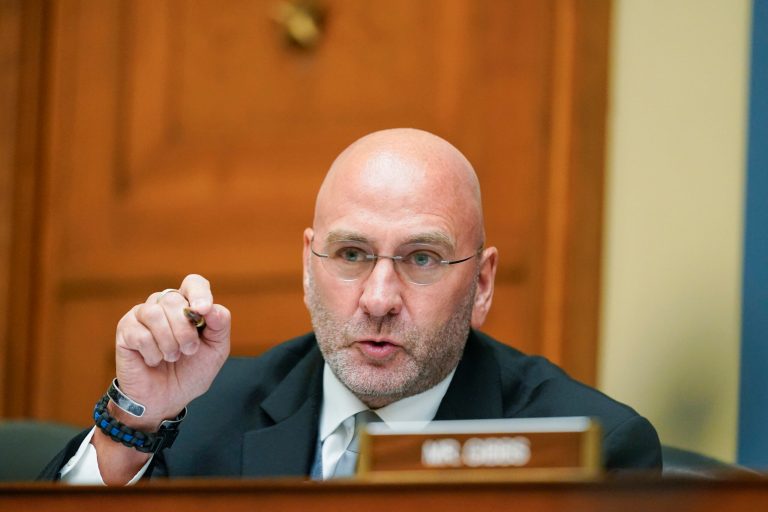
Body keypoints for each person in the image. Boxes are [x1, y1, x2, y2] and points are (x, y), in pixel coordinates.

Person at [41, 128, 661, 485]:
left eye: (422, 258)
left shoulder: (591, 451)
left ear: (482, 284)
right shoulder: (200, 415)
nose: (379, 299)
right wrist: (135, 422)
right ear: (309, 266)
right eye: (352, 254)